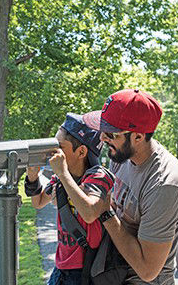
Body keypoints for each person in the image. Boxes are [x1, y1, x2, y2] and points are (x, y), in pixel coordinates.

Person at [82, 89, 178, 284]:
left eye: (110, 134)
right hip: (114, 273)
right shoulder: (121, 155)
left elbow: (148, 270)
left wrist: (106, 213)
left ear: (138, 137)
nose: (102, 139)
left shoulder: (165, 185)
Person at [24, 113, 114, 285]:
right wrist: (32, 178)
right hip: (61, 266)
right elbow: (38, 202)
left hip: (86, 269)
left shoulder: (98, 177)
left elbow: (89, 212)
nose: (54, 153)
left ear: (81, 151)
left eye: (60, 147)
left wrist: (63, 173)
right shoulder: (61, 178)